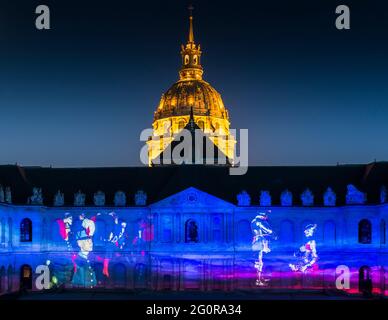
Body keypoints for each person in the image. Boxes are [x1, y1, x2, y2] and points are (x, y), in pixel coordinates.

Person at [251, 211, 276, 286]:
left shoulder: (254, 221)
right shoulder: (257, 222)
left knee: (259, 261)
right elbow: (265, 229)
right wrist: (270, 231)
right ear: (261, 216)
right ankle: (258, 280)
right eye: (265, 217)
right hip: (258, 242)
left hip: (258, 241)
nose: (265, 218)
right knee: (259, 262)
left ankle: (260, 278)